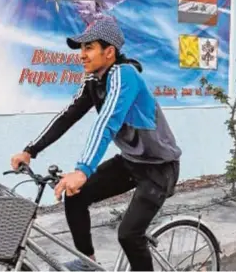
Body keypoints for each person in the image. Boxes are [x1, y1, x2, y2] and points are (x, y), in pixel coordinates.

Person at [10, 16, 181, 271]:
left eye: (89, 48)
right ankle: (88, 264)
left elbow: (106, 123)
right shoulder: (94, 81)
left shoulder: (126, 76)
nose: (81, 55)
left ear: (109, 52)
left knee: (129, 235)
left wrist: (83, 170)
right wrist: (30, 150)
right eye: (81, 48)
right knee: (75, 197)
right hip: (131, 162)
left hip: (159, 168)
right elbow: (68, 116)